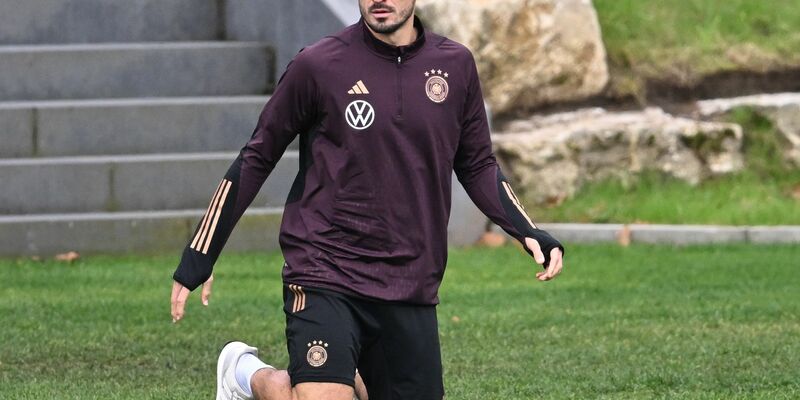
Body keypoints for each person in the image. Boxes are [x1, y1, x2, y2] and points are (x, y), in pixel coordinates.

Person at [170, 0, 565, 399]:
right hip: (325, 268)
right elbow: (257, 156)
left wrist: (527, 229)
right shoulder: (318, 65)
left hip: (410, 281)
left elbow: (477, 163)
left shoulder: (455, 65)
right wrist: (202, 251)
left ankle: (323, 375)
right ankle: (247, 376)